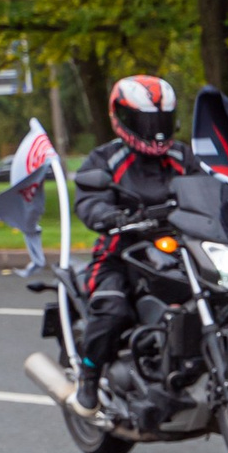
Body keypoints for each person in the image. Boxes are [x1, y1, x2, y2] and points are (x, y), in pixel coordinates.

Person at [69, 75, 200, 410]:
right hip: (121, 252)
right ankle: (89, 376)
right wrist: (109, 215)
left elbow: (210, 187)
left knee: (222, 292)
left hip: (182, 248)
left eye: (162, 121)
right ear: (122, 118)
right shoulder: (105, 160)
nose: (156, 131)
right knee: (112, 308)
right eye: (146, 122)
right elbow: (89, 200)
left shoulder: (183, 157)